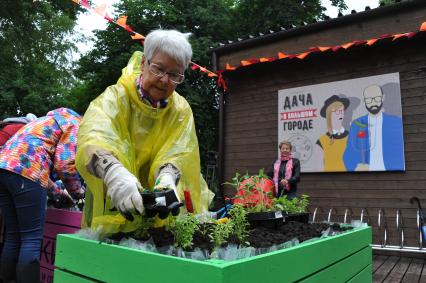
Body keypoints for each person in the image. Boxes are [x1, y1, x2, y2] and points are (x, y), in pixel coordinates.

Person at [76, 29, 213, 232]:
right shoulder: (115, 99)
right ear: (143, 64)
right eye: (158, 69)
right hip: (113, 205)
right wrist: (114, 173)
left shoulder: (181, 110)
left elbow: (181, 151)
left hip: (159, 213)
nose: (165, 80)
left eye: (175, 75)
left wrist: (166, 178)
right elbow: (94, 137)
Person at [0, 108, 85, 282]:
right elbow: (64, 165)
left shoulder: (42, 122)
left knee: (14, 235)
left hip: (3, 168)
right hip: (26, 172)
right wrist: (78, 193)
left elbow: (32, 163)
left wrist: (58, 193)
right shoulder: (75, 124)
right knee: (31, 238)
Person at [343, 85, 404, 171]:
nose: (373, 103)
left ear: (383, 98)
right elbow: (349, 154)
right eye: (369, 100)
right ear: (364, 102)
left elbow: (401, 151)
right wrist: (355, 168)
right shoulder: (357, 124)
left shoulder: (396, 122)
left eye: (377, 98)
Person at [316, 95, 350, 172]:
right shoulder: (321, 141)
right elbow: (319, 168)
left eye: (342, 111)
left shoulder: (351, 136)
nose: (340, 114)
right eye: (337, 111)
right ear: (329, 115)